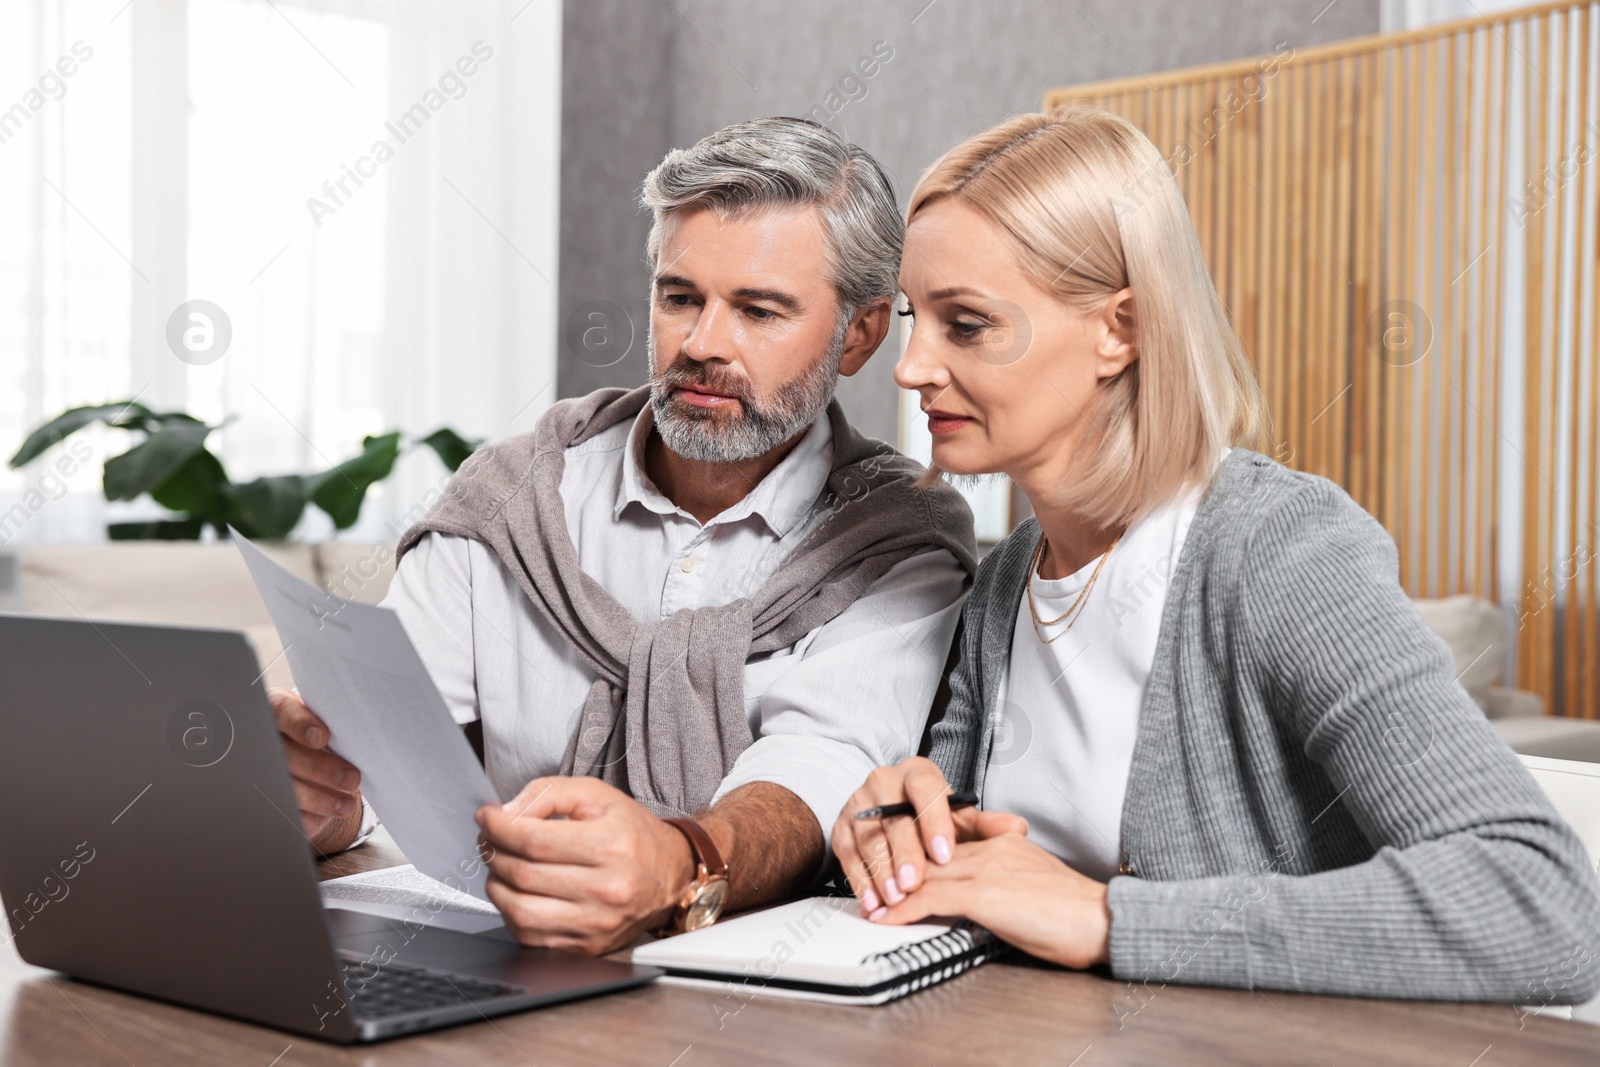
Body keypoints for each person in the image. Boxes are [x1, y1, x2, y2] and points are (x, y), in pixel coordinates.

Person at [831, 105, 1600, 1004]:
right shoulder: (1005, 582)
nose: (910, 367)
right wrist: (898, 830)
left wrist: (1111, 919)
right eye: (918, 317)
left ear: (1119, 328)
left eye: (967, 325)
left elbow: (1540, 904)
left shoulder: (1279, 549)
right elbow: (965, 874)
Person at [270, 117, 977, 955]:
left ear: (858, 333)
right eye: (680, 297)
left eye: (759, 309)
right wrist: (327, 800)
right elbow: (395, 747)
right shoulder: (511, 497)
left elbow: (821, 768)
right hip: (497, 963)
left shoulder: (896, 541)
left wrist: (678, 860)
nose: (703, 344)